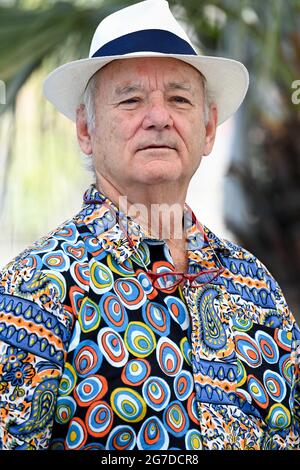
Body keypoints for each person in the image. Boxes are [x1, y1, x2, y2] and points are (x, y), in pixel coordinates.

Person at [0, 0, 299, 451]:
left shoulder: (259, 292)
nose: (158, 117)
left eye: (179, 99)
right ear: (85, 129)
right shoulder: (34, 289)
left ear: (209, 127)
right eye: (131, 99)